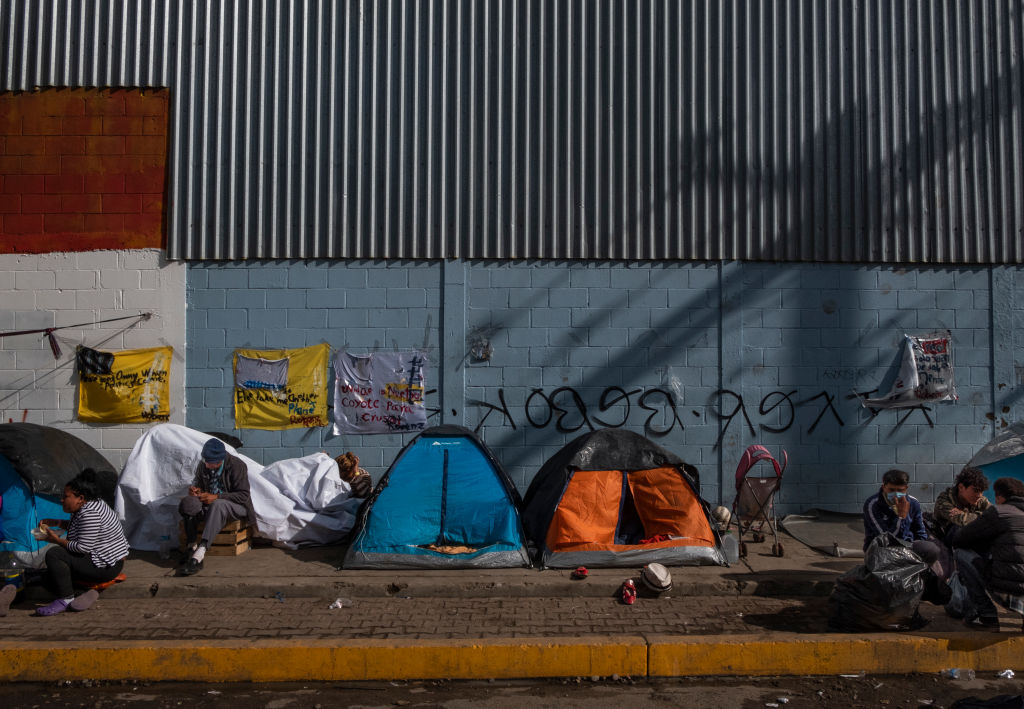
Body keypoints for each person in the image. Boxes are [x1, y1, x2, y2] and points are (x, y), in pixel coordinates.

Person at [29, 468, 130, 616]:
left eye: (66, 496)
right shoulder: (90, 504)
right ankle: (82, 591)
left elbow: (82, 548)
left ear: (80, 498)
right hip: (100, 560)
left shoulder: (90, 513)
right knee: (52, 575)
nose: (62, 500)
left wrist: (55, 540)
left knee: (55, 554)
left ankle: (66, 598)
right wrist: (56, 522)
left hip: (105, 567)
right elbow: (82, 528)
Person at [948, 476, 1024, 630]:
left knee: (962, 554)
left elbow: (961, 539)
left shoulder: (1000, 511)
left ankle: (986, 615)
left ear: (999, 497)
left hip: (1008, 593)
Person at [177, 437, 255, 577]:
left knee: (218, 505)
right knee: (188, 502)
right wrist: (196, 491)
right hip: (211, 505)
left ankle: (200, 554)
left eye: (211, 463)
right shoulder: (203, 466)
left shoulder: (237, 466)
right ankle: (191, 546)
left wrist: (217, 497)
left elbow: (243, 495)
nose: (207, 466)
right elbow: (199, 484)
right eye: (205, 461)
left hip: (235, 506)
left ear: (220, 460)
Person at [863, 468, 945, 575]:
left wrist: (915, 549)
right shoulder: (872, 504)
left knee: (932, 549)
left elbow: (920, 533)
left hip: (907, 547)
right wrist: (901, 517)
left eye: (900, 490)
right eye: (891, 490)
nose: (896, 494)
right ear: (884, 487)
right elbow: (885, 539)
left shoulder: (913, 503)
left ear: (906, 489)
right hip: (881, 549)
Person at [933, 466, 991, 539]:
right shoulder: (944, 500)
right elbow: (962, 521)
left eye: (981, 491)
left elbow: (995, 516)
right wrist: (983, 516)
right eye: (975, 490)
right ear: (961, 487)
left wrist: (965, 514)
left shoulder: (981, 500)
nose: (979, 495)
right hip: (946, 538)